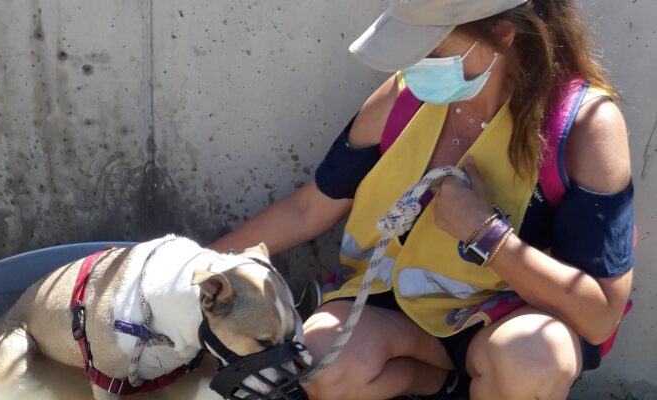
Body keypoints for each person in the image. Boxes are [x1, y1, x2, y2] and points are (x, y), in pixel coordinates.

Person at [210, 0, 635, 399]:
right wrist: (190, 262)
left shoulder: (585, 125)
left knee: (534, 359)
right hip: (394, 312)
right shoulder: (404, 96)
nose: (411, 65)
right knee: (320, 362)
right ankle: (444, 383)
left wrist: (486, 236)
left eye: (428, 48)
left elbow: (599, 318)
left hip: (503, 322)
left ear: (503, 34)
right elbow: (310, 208)